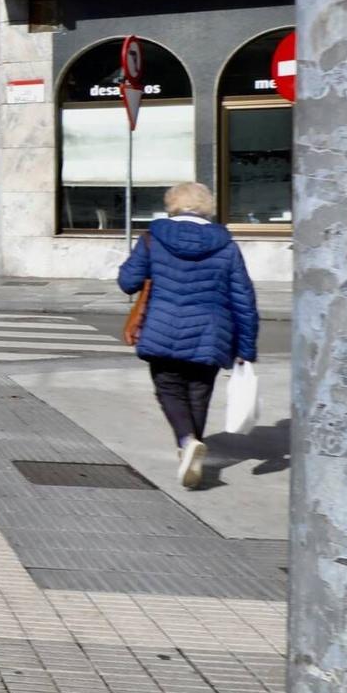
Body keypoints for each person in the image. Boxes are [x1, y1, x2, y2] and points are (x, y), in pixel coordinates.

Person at [116, 181, 259, 490]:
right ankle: (191, 449)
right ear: (207, 206)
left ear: (172, 205)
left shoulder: (153, 239)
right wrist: (245, 348)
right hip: (210, 332)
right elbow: (243, 299)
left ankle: (187, 442)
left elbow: (128, 281)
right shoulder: (226, 245)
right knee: (198, 392)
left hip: (162, 327)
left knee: (168, 388)